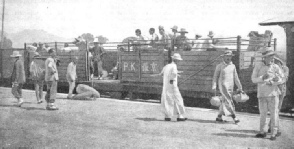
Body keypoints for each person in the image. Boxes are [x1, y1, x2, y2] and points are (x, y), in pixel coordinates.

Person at [251, 48, 284, 140]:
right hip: (262, 94)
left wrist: (275, 82)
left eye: (273, 56)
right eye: (270, 56)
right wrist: (262, 78)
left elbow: (282, 79)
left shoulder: (276, 67)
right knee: (263, 114)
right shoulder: (258, 66)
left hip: (273, 94)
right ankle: (262, 132)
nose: (272, 58)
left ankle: (273, 133)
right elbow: (253, 79)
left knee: (274, 114)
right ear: (265, 58)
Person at [151, 53, 186, 121]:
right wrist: (173, 80)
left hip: (166, 86)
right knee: (177, 99)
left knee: (166, 100)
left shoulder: (166, 66)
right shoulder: (174, 66)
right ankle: (180, 116)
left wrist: (177, 74)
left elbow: (162, 74)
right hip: (172, 85)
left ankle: (167, 116)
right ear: (176, 60)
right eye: (178, 60)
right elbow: (173, 74)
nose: (179, 61)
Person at [212, 50, 243, 124]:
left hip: (230, 86)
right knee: (228, 100)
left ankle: (219, 116)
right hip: (222, 86)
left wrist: (240, 87)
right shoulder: (219, 66)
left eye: (230, 56)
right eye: (227, 56)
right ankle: (234, 117)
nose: (228, 58)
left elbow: (236, 77)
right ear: (223, 57)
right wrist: (214, 86)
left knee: (224, 100)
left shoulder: (233, 66)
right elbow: (215, 77)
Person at [268, 56, 289, 136]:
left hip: (281, 91)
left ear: (281, 63)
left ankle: (271, 127)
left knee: (276, 109)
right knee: (275, 110)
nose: (276, 64)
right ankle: (274, 128)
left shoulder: (285, 69)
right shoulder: (272, 68)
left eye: (277, 62)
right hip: (273, 91)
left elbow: (284, 79)